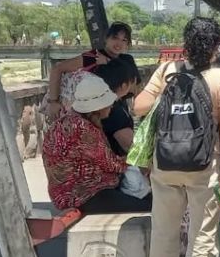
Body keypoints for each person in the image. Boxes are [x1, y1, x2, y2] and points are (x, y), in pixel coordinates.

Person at [134, 17, 220, 257]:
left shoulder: (168, 71)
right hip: (203, 166)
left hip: (164, 163)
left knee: (164, 233)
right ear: (217, 45)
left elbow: (139, 106)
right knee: (202, 234)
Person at [42, 74, 151, 214]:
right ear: (98, 108)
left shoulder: (68, 120)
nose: (111, 106)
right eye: (108, 103)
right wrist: (140, 162)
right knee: (148, 207)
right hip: (84, 194)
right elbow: (112, 164)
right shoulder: (82, 128)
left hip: (68, 192)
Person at [45, 22, 132, 120]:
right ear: (106, 39)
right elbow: (58, 68)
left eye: (124, 40)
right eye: (115, 38)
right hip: (72, 112)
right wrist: (53, 102)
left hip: (99, 114)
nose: (118, 43)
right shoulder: (93, 57)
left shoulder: (125, 62)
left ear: (127, 44)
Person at [93, 55, 141, 157]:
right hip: (114, 165)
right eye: (133, 81)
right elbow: (130, 146)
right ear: (124, 85)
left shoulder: (112, 102)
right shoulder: (113, 109)